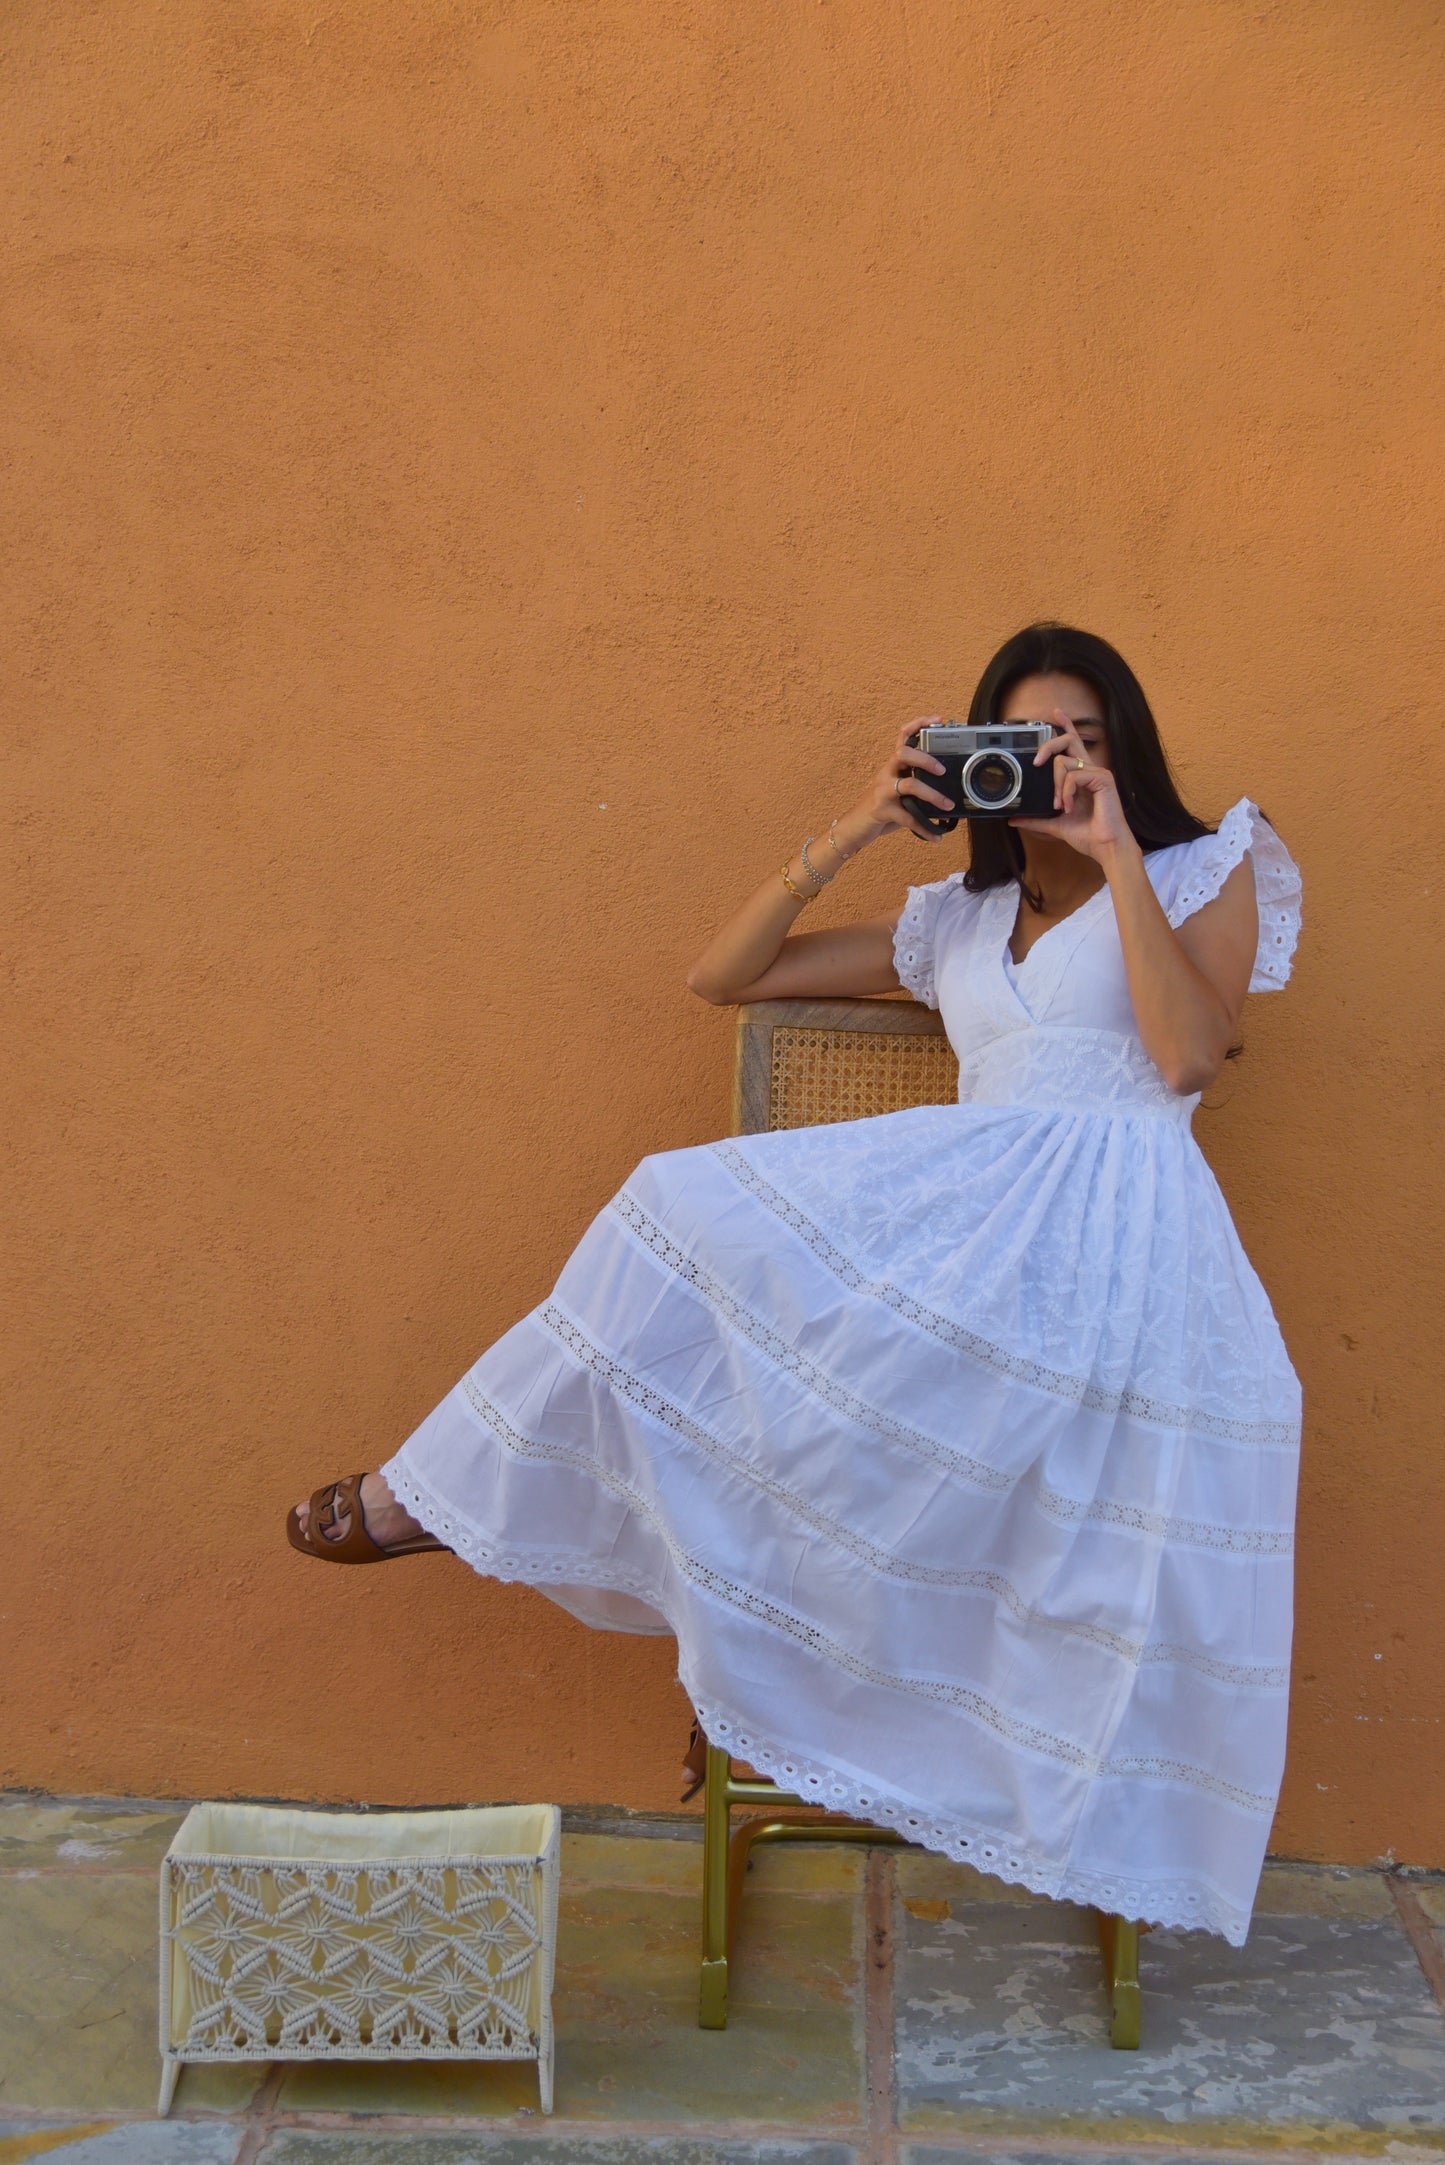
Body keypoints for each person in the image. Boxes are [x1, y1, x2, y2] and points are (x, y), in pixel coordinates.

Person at [287, 622, 1302, 1947]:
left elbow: (1182, 1061)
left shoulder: (1201, 864)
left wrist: (1115, 854)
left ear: (1125, 751)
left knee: (854, 1429)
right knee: (676, 1217)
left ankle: (721, 1648)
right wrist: (858, 827)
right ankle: (446, 1492)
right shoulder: (959, 923)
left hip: (1117, 1259)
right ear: (971, 761)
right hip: (960, 1240)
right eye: (1023, 742)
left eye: (1082, 741)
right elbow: (726, 975)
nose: (1054, 766)